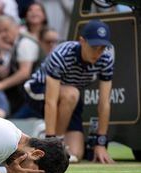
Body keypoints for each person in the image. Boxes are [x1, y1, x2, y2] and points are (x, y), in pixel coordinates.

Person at [23, 20, 114, 163]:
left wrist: (100, 143)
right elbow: (51, 101)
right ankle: (51, 139)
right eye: (94, 46)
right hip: (39, 91)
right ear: (82, 41)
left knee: (75, 154)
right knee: (72, 94)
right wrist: (52, 143)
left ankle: (46, 133)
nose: (98, 52)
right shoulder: (61, 55)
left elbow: (104, 103)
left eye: (102, 48)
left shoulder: (106, 59)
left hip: (69, 98)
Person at [0, 15, 44, 116]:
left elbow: (24, 72)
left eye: (6, 30)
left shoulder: (25, 43)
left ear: (16, 27)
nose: (3, 35)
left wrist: (1, 85)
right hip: (25, 97)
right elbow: (3, 74)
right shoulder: (14, 44)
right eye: (0, 31)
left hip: (36, 97)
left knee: (14, 121)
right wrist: (0, 49)